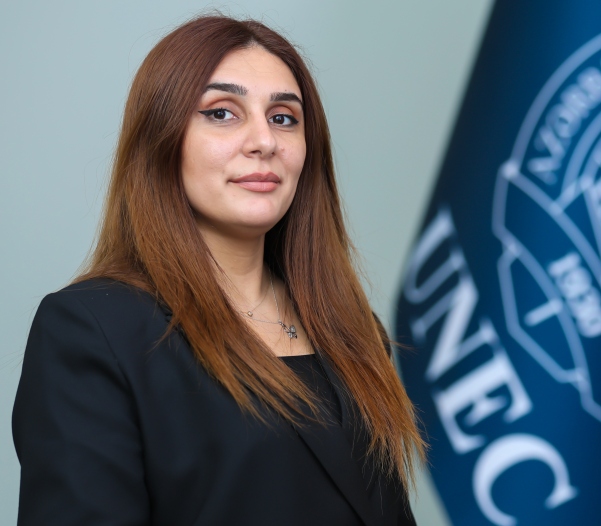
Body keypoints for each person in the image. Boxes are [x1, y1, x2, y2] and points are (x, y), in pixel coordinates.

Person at [12, 15, 425, 526]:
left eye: (283, 118)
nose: (264, 141)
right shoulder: (93, 330)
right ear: (163, 138)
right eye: (222, 113)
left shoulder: (353, 327)